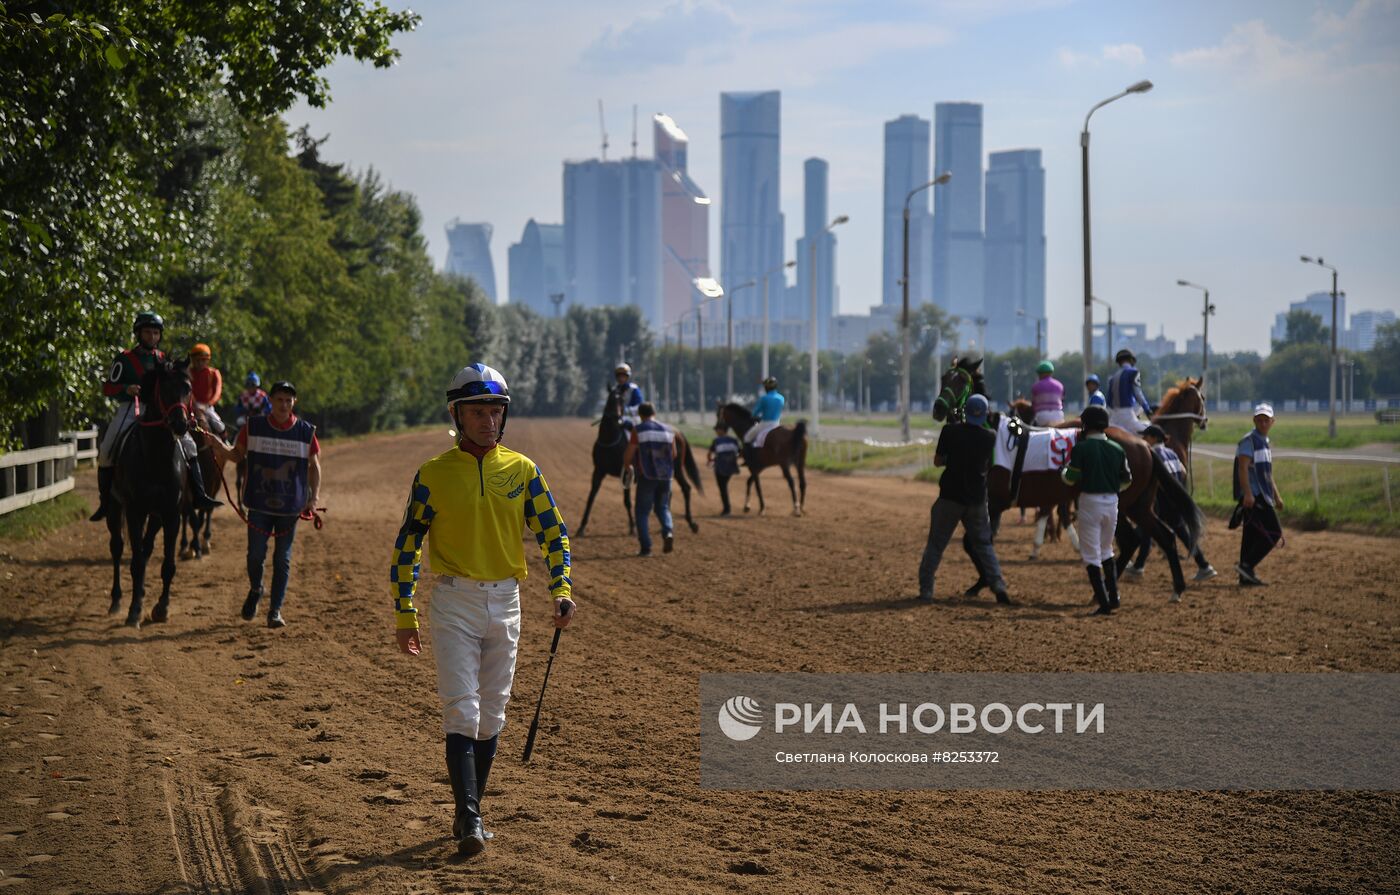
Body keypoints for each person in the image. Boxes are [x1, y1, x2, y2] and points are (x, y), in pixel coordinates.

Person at [390, 363, 575, 858]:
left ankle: (468, 808)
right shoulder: (431, 475)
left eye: (495, 411)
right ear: (457, 414)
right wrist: (404, 612)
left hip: (507, 601)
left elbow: (553, 533)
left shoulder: (523, 470)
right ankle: (471, 818)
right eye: (477, 412)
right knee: (462, 707)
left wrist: (562, 586)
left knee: (493, 714)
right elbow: (407, 545)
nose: (488, 421)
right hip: (454, 602)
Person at [204, 381, 321, 628]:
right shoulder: (253, 427)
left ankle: (275, 611)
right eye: (279, 400)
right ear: (271, 401)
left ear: (294, 403)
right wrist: (219, 448)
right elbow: (237, 455)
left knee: (283, 559)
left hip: (290, 508)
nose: (284, 405)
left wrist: (313, 499)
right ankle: (256, 588)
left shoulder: (305, 431)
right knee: (255, 556)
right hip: (258, 505)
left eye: (288, 401)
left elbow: (314, 467)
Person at [91, 311, 221, 522]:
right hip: (130, 408)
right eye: (147, 332)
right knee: (106, 449)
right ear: (138, 334)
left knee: (190, 445)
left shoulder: (164, 360)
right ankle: (105, 501)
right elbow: (107, 388)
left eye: (155, 333)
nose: (152, 337)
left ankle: (199, 494)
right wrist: (126, 388)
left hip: (161, 411)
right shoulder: (124, 359)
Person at [917, 395, 1010, 605]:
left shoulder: (949, 431)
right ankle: (998, 585)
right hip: (976, 499)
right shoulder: (990, 436)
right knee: (984, 544)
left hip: (950, 497)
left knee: (935, 545)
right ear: (985, 414)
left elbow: (938, 461)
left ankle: (926, 590)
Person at [1061, 405, 1132, 615]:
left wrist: (1063, 472)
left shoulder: (1081, 448)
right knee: (1107, 549)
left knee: (1091, 554)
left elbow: (1070, 478)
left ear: (1086, 425)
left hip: (1090, 502)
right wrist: (1111, 487)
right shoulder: (1117, 449)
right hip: (1112, 503)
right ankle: (1114, 596)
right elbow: (1127, 480)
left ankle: (1103, 602)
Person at [1127, 425, 1217, 583]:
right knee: (1153, 530)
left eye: (1145, 436)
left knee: (1152, 530)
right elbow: (1182, 472)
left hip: (1163, 500)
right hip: (1175, 498)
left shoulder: (1152, 453)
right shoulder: (1171, 453)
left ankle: (1204, 565)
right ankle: (1139, 566)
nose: (1143, 439)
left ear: (1154, 438)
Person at [1234, 403, 1284, 586]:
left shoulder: (1264, 442)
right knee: (1274, 532)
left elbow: (1267, 473)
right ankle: (1247, 566)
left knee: (1251, 535)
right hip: (1255, 496)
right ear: (1254, 420)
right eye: (1260, 420)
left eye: (1266, 420)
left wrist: (1277, 496)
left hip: (1263, 495)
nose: (1263, 423)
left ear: (1272, 422)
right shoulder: (1249, 440)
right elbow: (1242, 467)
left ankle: (1245, 576)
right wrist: (1247, 494)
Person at [623, 403, 677, 556]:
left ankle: (646, 548)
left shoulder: (638, 430)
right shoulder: (668, 429)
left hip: (647, 476)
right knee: (663, 507)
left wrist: (628, 467)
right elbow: (673, 454)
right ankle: (668, 532)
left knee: (642, 511)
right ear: (654, 413)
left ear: (640, 415)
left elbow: (628, 454)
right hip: (666, 475)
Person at [1104, 349, 1153, 434]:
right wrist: (1148, 410)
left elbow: (1108, 401)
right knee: (1151, 435)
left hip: (1113, 418)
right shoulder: (1133, 372)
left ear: (1119, 362)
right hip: (1127, 416)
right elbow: (1138, 394)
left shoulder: (1112, 378)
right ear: (1131, 360)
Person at [189, 343, 226, 436]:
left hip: (207, 407)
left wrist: (208, 404)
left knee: (219, 425)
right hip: (191, 406)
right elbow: (188, 390)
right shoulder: (188, 373)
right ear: (192, 360)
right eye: (197, 360)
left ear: (207, 360)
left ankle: (225, 443)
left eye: (203, 360)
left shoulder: (214, 373)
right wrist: (195, 404)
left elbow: (217, 392)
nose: (200, 363)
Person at [707, 424, 741, 516]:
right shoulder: (734, 440)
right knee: (724, 486)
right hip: (731, 467)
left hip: (720, 468)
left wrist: (710, 460)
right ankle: (727, 508)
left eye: (717, 430)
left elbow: (710, 453)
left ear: (722, 430)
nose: (716, 432)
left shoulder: (716, 441)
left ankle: (727, 509)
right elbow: (739, 452)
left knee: (722, 488)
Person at [745, 376, 785, 447]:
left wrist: (755, 417)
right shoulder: (781, 398)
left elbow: (754, 413)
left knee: (747, 438)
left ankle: (750, 457)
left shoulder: (764, 398)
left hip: (765, 424)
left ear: (766, 387)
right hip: (777, 424)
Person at [1030, 361, 1065, 426]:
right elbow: (1062, 401)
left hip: (1042, 417)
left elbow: (1033, 405)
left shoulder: (1036, 386)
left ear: (1040, 374)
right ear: (1051, 373)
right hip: (1058, 415)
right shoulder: (1060, 385)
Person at [611, 363, 644, 431]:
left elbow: (639, 407)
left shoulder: (634, 389)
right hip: (617, 418)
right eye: (619, 376)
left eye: (623, 376)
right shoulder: (614, 390)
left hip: (633, 419)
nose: (621, 379)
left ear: (627, 377)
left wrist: (623, 410)